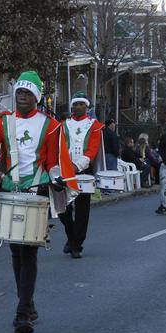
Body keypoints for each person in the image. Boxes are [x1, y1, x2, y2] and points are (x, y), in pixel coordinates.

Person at [0, 71, 76, 333]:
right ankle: (28, 303)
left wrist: (57, 179)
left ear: (36, 97)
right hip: (9, 189)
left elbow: (54, 162)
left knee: (28, 250)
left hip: (36, 190)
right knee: (16, 251)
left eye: (27, 93)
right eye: (19, 92)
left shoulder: (52, 125)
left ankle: (22, 314)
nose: (22, 97)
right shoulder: (1, 123)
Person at [58, 92, 103, 258]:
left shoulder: (95, 125)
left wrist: (77, 166)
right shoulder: (63, 125)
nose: (78, 107)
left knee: (82, 210)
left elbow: (93, 149)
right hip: (65, 170)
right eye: (75, 104)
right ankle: (71, 237)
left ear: (87, 106)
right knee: (63, 208)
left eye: (81, 104)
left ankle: (77, 245)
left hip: (83, 170)